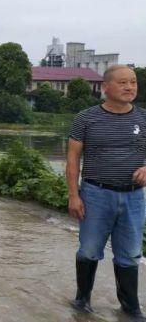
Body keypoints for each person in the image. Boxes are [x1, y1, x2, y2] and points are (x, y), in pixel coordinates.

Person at [66, 65, 146, 319]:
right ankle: (82, 300)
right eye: (123, 82)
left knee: (131, 253)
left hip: (134, 197)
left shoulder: (144, 118)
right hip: (96, 194)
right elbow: (72, 159)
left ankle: (130, 308)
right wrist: (73, 195)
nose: (129, 87)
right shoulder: (85, 119)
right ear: (105, 87)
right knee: (89, 250)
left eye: (133, 82)